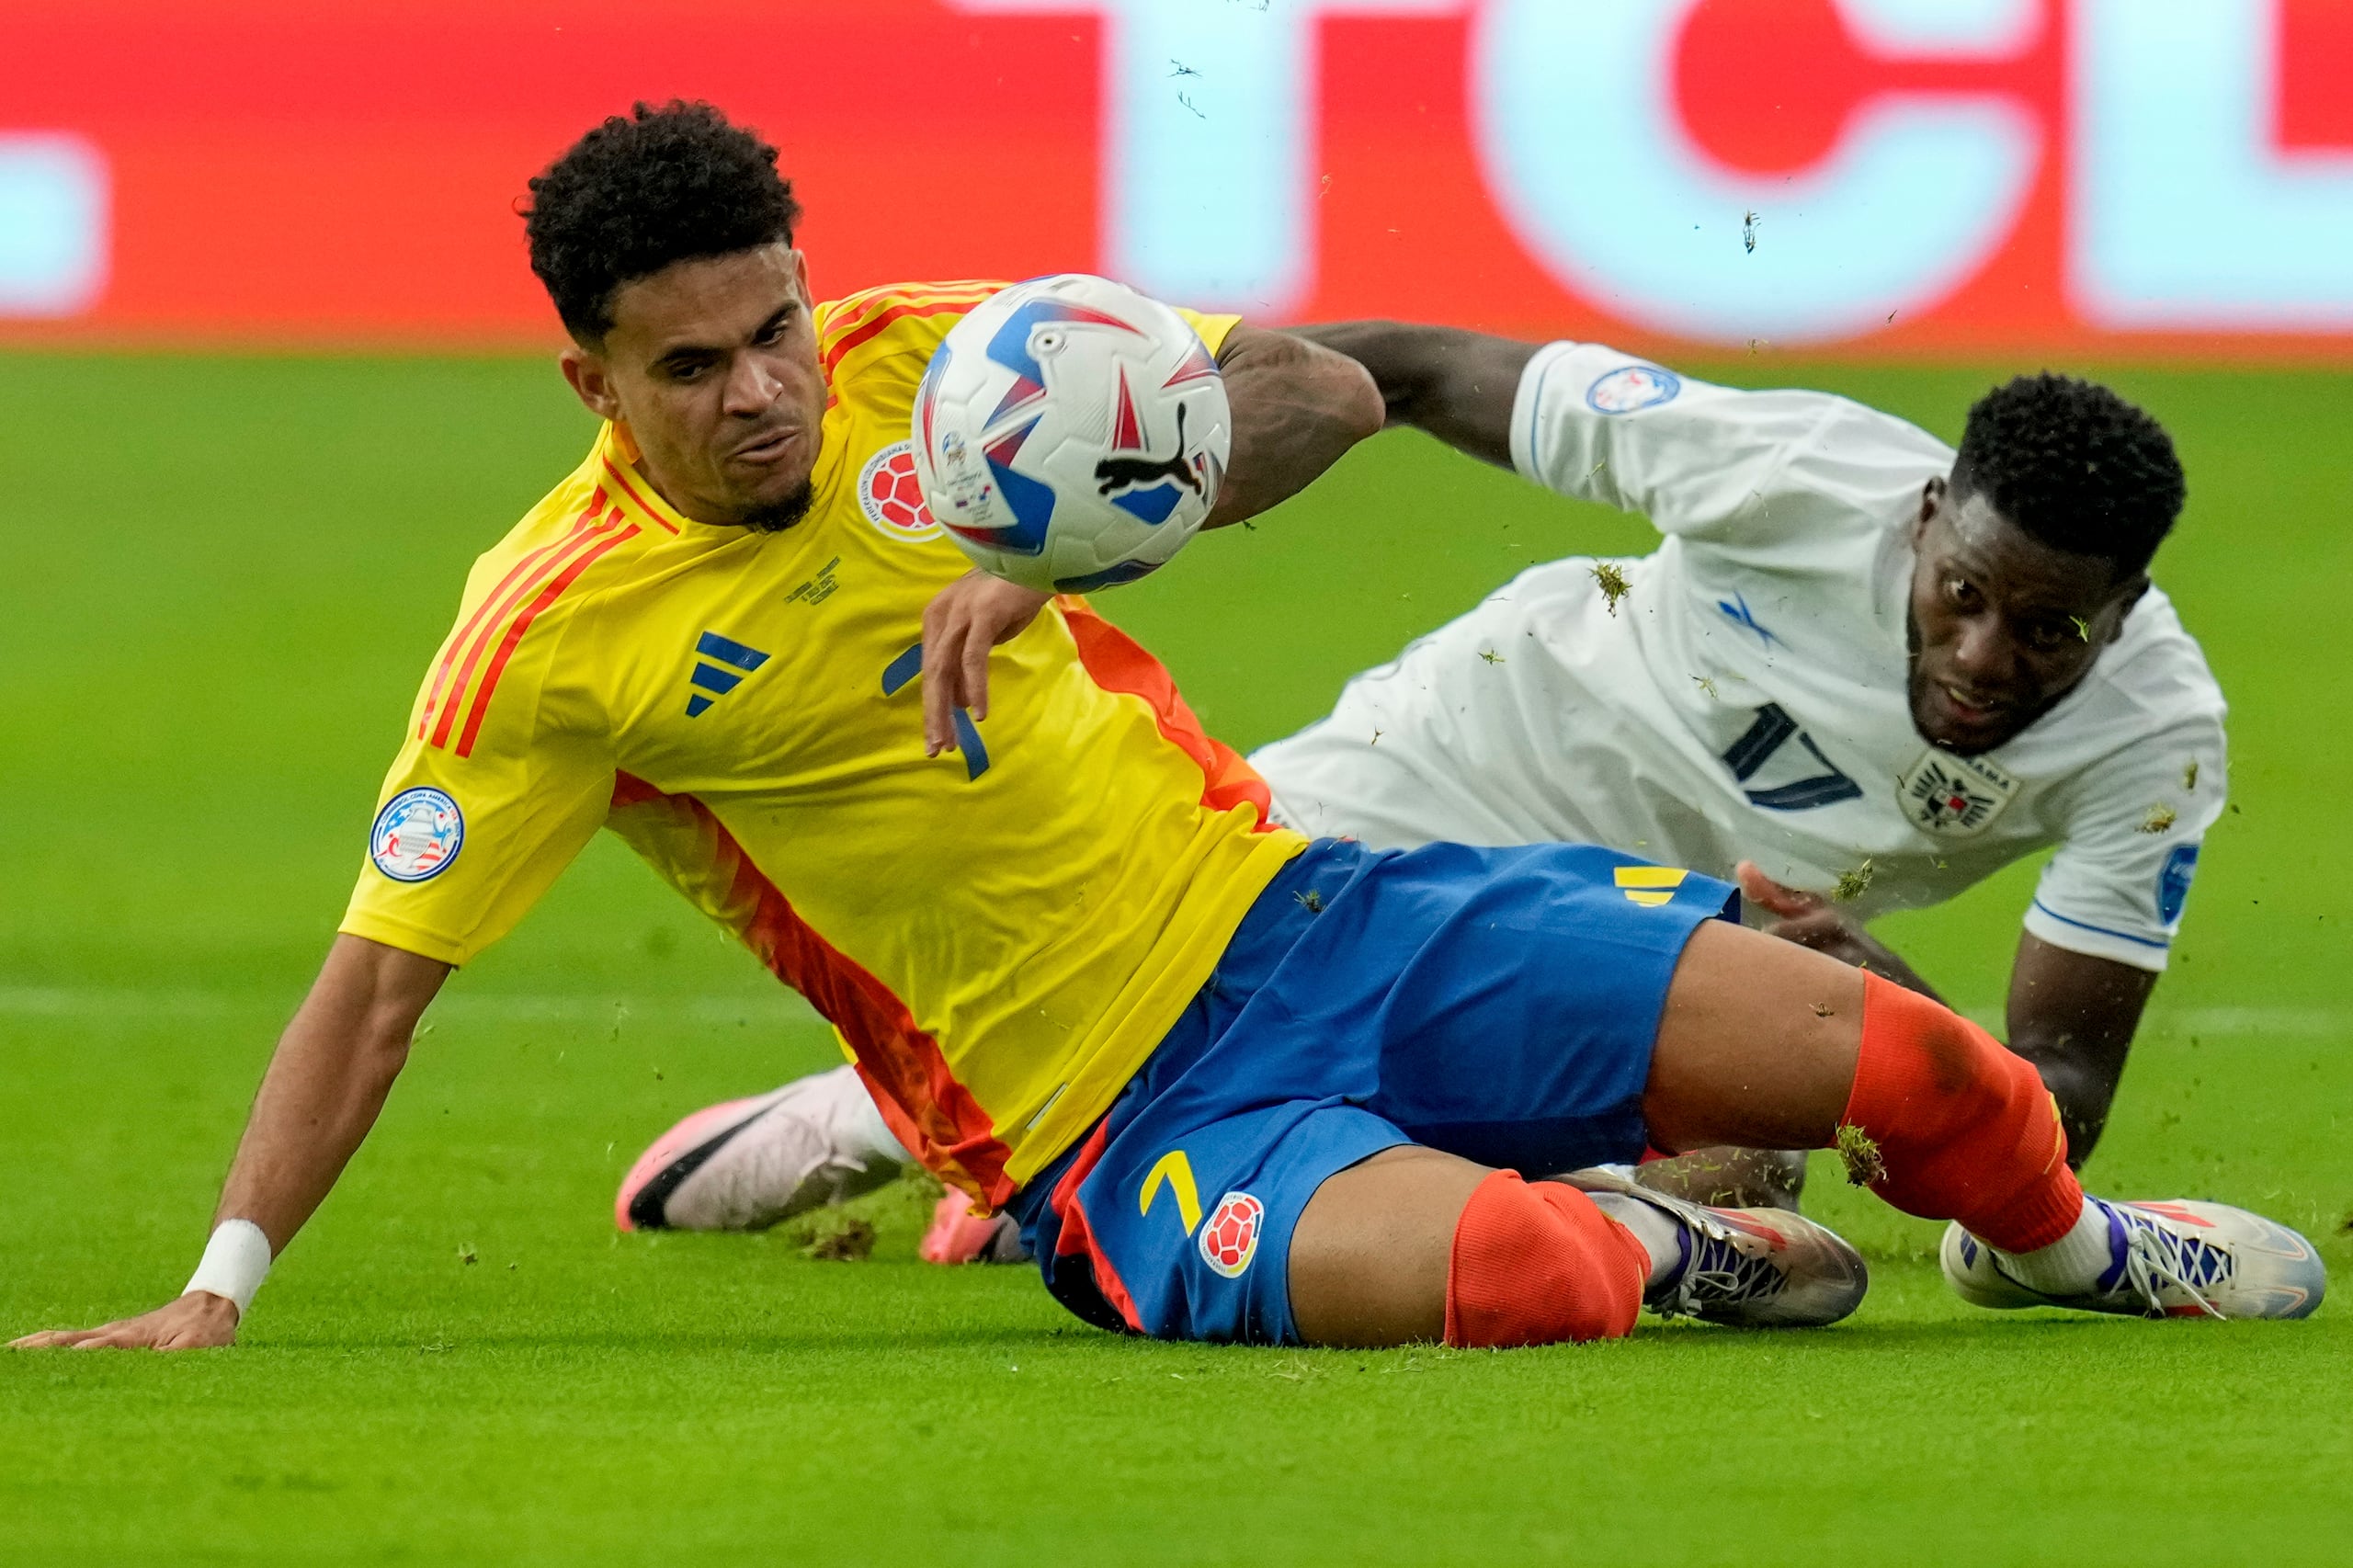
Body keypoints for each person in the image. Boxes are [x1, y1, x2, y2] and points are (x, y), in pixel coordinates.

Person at [15, 104, 2321, 1358]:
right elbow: (378, 979)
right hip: (1103, 1108)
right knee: (1530, 1285)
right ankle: (1655, 1229)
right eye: (694, 363)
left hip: (1315, 904)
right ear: (590, 383)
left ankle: (2067, 1254)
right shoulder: (550, 645)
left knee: (1936, 1079)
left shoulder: (949, 358)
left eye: (776, 329)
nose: (768, 390)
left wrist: (1079, 539)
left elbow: (1318, 380)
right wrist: (219, 1289)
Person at [633, 330, 2234, 1256]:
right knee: (1139, 987)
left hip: (1691, 931)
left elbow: (2056, 1100)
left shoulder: (2157, 743)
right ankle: (873, 1124)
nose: (1984, 655)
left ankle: (1093, 1185)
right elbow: (1396, 369)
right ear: (1926, 512)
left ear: (2134, 600)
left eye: (2051, 630)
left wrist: (1880, 994)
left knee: (1737, 1193)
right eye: (1961, 591)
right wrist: (1106, 517)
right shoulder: (1789, 468)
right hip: (1449, 763)